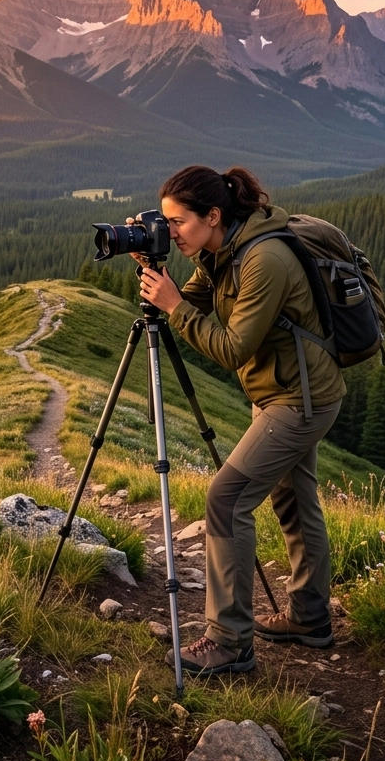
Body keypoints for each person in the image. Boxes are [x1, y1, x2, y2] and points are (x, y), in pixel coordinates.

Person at [136, 164, 345, 676]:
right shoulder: (220, 251)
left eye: (178, 222)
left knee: (226, 499)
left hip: (299, 400)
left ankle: (229, 641)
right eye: (166, 223)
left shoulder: (263, 259)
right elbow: (195, 300)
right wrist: (159, 274)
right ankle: (311, 620)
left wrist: (175, 307)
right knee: (294, 501)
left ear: (213, 215)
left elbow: (231, 348)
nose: (172, 232)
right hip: (285, 390)